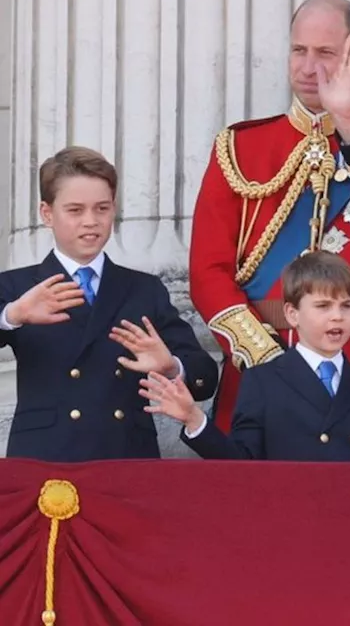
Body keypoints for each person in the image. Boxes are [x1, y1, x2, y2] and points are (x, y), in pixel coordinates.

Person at [189, 0, 350, 437]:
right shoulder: (239, 147)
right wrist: (267, 361)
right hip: (259, 371)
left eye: (325, 54)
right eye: (299, 51)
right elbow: (208, 270)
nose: (309, 68)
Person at [0, 147, 218, 461]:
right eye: (75, 210)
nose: (91, 221)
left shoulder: (144, 289)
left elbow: (204, 377)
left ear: (113, 209)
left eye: (101, 208)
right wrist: (12, 315)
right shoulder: (16, 286)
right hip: (45, 456)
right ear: (47, 213)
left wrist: (170, 365)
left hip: (125, 455)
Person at [142, 252, 350, 462]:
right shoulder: (263, 381)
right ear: (292, 314)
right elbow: (241, 463)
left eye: (346, 306)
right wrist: (194, 420)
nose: (337, 318)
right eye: (323, 307)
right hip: (285, 531)